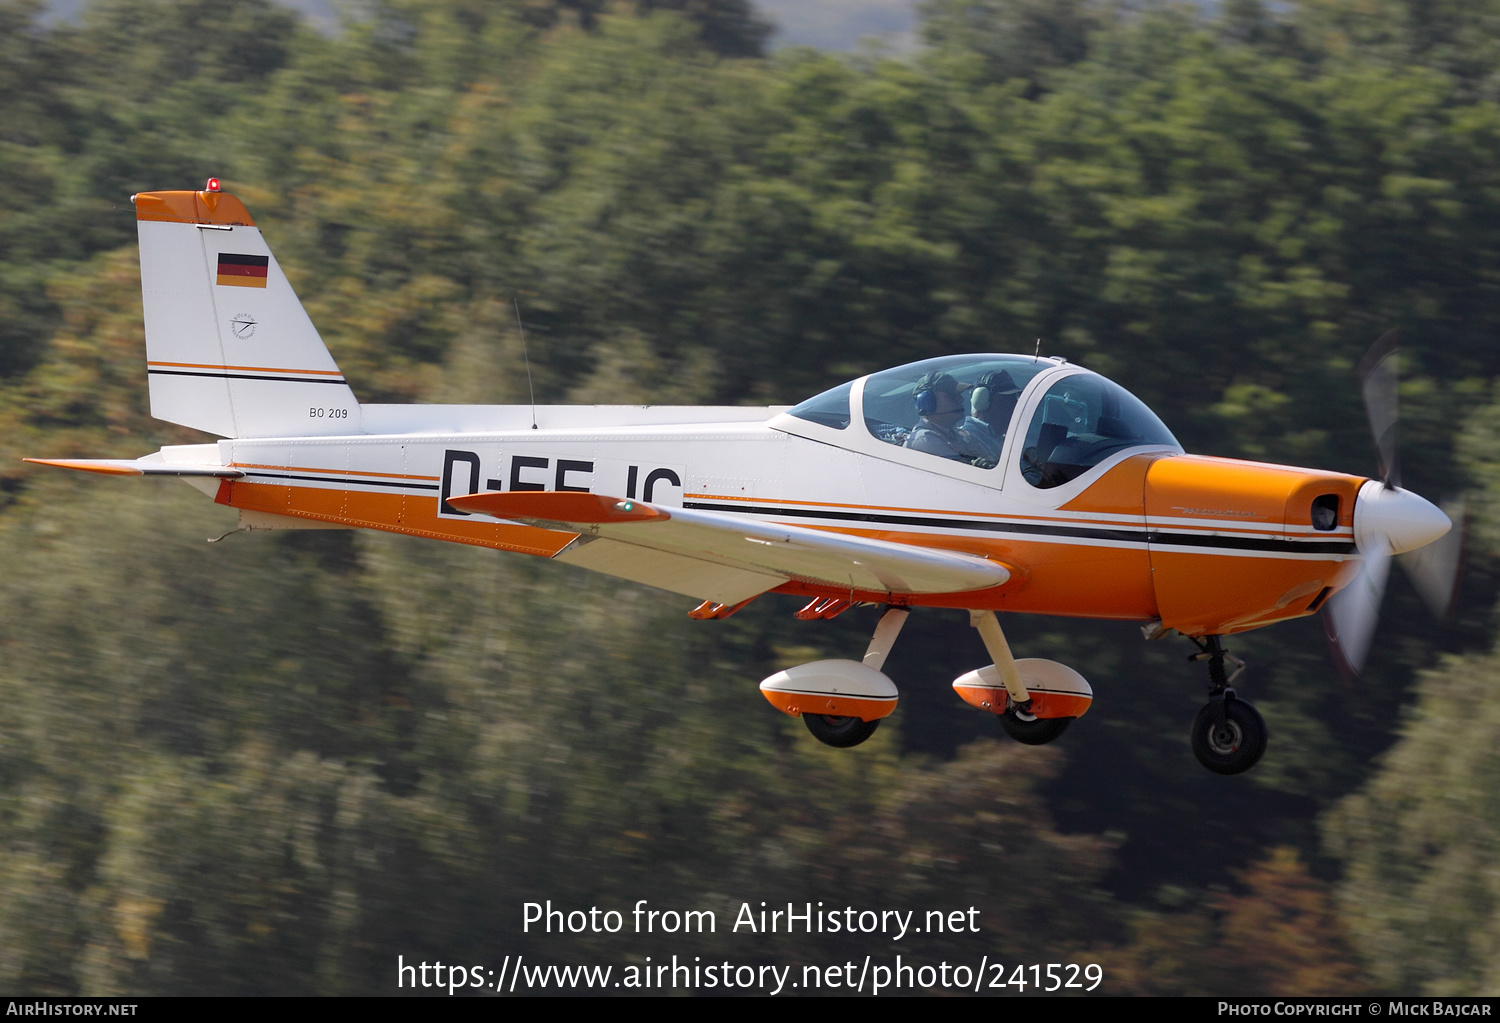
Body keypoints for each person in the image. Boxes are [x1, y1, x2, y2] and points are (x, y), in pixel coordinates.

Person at [905, 371, 991, 465]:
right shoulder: (924, 440)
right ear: (927, 403)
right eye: (952, 396)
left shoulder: (959, 435)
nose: (961, 399)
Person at [957, 369, 1022, 466]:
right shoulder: (962, 440)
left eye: (1014, 400)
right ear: (981, 402)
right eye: (1005, 401)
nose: (1013, 407)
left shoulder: (1004, 439)